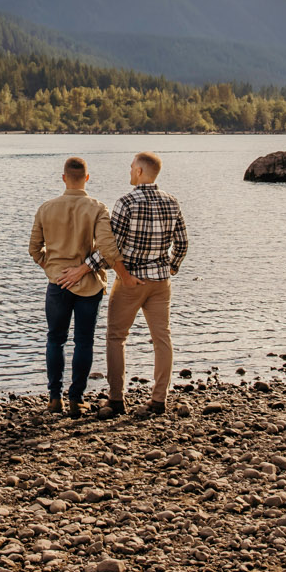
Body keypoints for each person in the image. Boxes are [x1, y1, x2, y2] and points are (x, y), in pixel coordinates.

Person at [93, 150, 188, 418]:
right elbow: (182, 243)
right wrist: (171, 267)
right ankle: (158, 400)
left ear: (139, 171)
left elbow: (112, 247)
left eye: (132, 166)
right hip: (161, 282)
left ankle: (116, 400)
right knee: (162, 338)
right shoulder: (172, 201)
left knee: (116, 337)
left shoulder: (126, 202)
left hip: (130, 281)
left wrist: (84, 268)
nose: (129, 169)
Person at [29, 156, 118, 418]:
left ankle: (54, 397)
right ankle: (76, 399)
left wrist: (52, 268)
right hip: (88, 285)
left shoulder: (46, 208)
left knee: (55, 339)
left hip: (57, 283)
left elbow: (34, 249)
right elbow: (108, 249)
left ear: (64, 178)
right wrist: (85, 269)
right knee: (84, 342)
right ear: (87, 178)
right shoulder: (97, 208)